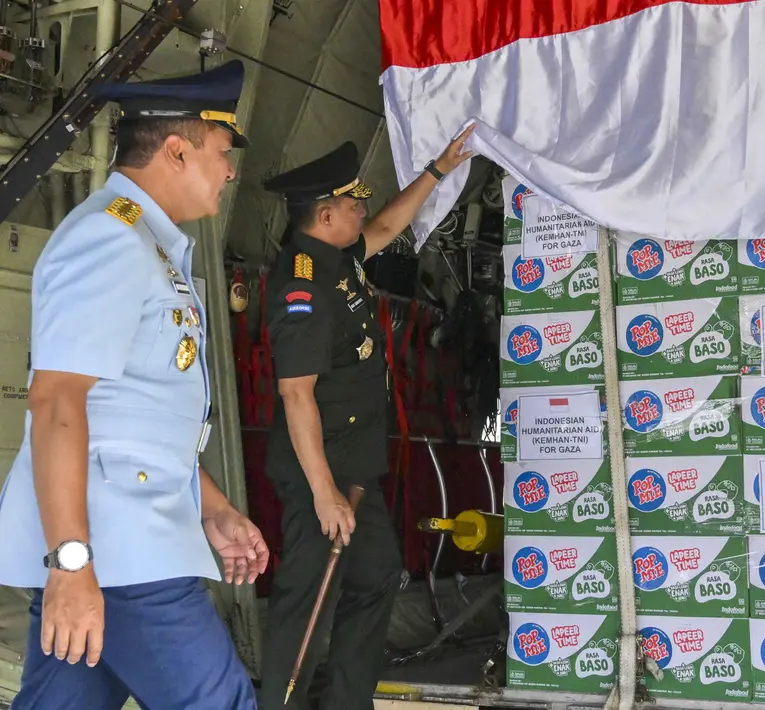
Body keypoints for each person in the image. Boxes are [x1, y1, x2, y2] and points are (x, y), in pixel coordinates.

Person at [0, 59, 271, 708]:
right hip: (119, 548)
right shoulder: (109, 238)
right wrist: (72, 562)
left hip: (116, 540)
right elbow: (57, 401)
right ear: (177, 150)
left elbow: (133, 419)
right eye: (222, 152)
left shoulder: (147, 245)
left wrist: (213, 507)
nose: (230, 171)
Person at [257, 128, 474, 709]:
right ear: (325, 214)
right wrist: (324, 493)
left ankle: (346, 702)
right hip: (319, 474)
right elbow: (297, 396)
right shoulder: (301, 283)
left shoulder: (337, 255)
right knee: (310, 600)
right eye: (353, 204)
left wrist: (436, 169)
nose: (362, 213)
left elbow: (385, 228)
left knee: (377, 573)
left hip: (355, 466)